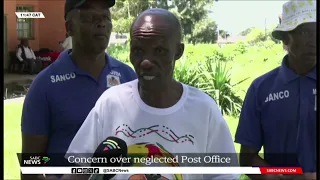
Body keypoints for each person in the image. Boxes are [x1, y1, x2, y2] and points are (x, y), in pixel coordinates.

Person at [50, 8, 240, 180]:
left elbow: (224, 175)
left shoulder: (203, 110)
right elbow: (78, 169)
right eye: (139, 50)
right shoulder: (112, 103)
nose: (146, 62)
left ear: (178, 51)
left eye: (159, 50)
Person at [21, 0, 137, 179]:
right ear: (69, 28)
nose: (101, 23)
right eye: (89, 17)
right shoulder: (44, 86)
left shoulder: (128, 76)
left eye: (106, 17)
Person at [235, 0, 316, 180]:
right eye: (305, 33)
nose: (314, 41)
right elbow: (248, 157)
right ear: (285, 38)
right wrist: (273, 176)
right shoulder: (261, 89)